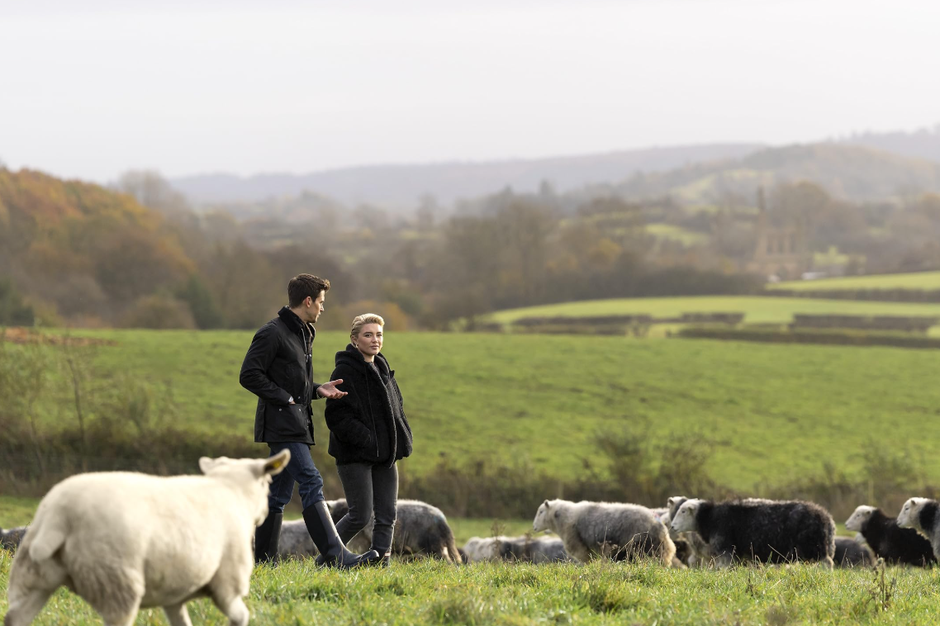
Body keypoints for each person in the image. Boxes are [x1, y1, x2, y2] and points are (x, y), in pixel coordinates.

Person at [239, 273, 377, 568]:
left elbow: (292, 378)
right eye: (321, 302)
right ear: (307, 301)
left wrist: (317, 390)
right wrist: (284, 398)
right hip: (281, 424)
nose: (322, 308)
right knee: (312, 481)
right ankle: (335, 554)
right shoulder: (272, 333)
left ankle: (263, 562)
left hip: (297, 422)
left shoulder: (303, 332)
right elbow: (249, 375)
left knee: (277, 495)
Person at [323, 313, 413, 567]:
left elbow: (397, 409)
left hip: (386, 455)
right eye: (368, 335)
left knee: (387, 515)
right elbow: (337, 417)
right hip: (355, 456)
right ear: (354, 340)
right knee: (359, 516)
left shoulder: (383, 368)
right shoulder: (344, 371)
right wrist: (367, 440)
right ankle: (326, 558)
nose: (375, 340)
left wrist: (402, 436)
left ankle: (379, 565)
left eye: (379, 335)